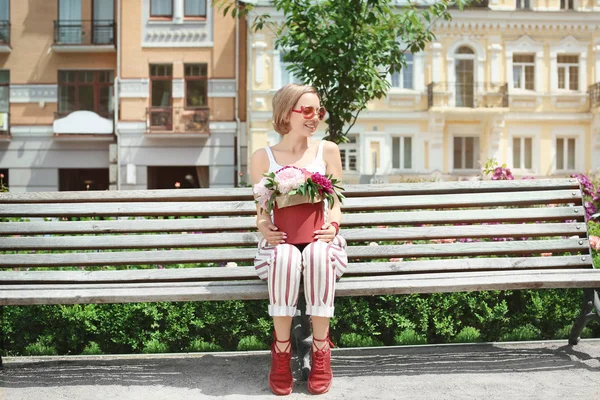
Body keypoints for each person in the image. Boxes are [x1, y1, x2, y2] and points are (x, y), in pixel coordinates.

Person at [250, 84, 348, 395]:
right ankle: (281, 352)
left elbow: (336, 202)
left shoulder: (327, 150)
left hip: (321, 241)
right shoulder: (263, 157)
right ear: (285, 113)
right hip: (280, 246)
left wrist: (332, 226)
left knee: (318, 255)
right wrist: (264, 225)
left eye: (318, 111)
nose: (315, 117)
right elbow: (261, 211)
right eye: (307, 110)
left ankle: (321, 350)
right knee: (287, 257)